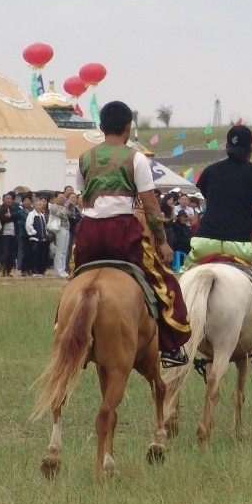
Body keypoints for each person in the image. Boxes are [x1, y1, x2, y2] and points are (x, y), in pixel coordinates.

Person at [71, 100, 190, 366]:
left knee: (74, 280)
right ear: (128, 127)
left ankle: (62, 330)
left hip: (89, 233)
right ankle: (171, 348)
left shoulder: (84, 158)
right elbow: (150, 206)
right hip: (122, 232)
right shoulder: (135, 157)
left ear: (101, 127)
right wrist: (162, 242)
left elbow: (82, 199)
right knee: (163, 281)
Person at [185, 125, 252, 359]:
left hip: (204, 243)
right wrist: (250, 239)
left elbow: (212, 202)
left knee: (179, 281)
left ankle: (170, 340)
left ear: (227, 146)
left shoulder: (209, 172)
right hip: (240, 245)